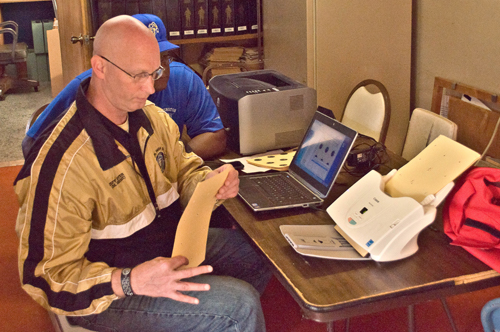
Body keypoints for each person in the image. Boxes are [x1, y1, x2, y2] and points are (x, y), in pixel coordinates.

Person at [15, 15, 270, 332]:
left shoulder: (152, 117)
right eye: (138, 76)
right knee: (239, 306)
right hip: (107, 289)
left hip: (159, 247)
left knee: (259, 254)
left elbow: (184, 167)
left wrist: (207, 183)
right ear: (101, 67)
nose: (150, 87)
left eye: (156, 72)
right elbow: (46, 276)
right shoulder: (63, 163)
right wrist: (129, 280)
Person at [23, 14, 226, 160]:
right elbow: (32, 144)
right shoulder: (88, 85)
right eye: (142, 64)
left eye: (164, 57)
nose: (160, 68)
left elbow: (215, 138)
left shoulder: (184, 79)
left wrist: (168, 160)